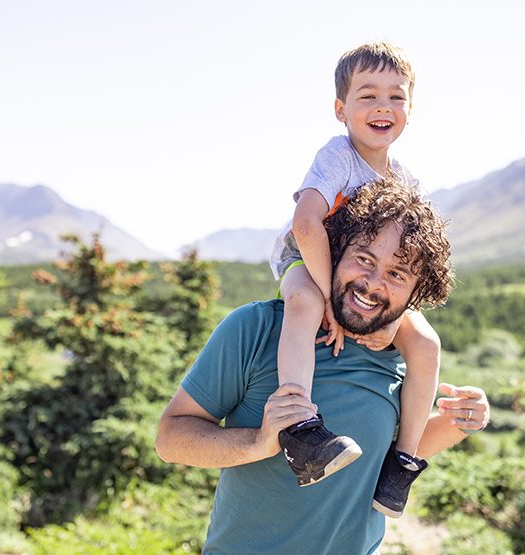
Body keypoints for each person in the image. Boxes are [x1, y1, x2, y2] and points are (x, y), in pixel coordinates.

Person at [156, 178, 490, 554]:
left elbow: (382, 460)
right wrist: (257, 443)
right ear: (334, 252)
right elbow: (170, 440)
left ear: (417, 293)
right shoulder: (257, 328)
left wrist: (459, 420)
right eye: (364, 259)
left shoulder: (403, 359)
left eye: (397, 274)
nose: (373, 283)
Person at [267, 41, 441, 516]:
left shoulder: (405, 180)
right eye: (368, 96)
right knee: (302, 304)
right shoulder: (338, 155)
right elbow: (306, 226)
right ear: (341, 109)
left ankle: (401, 465)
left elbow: (411, 260)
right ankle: (301, 431)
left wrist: (394, 316)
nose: (383, 107)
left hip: (363, 280)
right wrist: (327, 296)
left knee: (425, 345)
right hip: (307, 259)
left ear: (411, 107)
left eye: (396, 96)